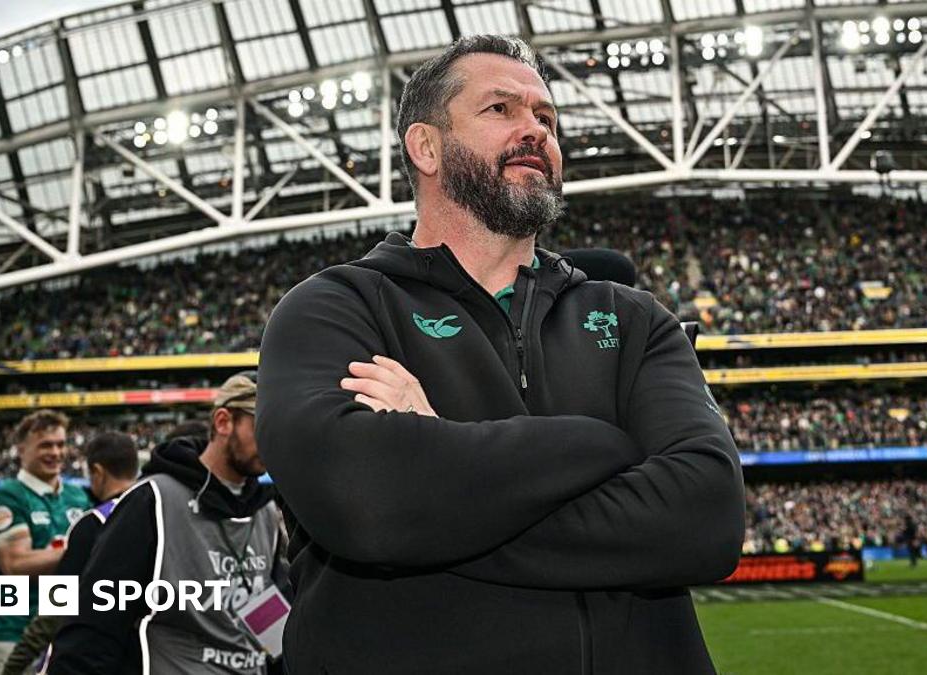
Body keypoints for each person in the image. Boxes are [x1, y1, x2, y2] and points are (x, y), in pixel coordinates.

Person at [256, 34, 745, 674]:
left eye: (546, 117)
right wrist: (602, 443)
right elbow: (366, 504)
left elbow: (705, 519)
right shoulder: (336, 309)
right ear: (425, 148)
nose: (534, 131)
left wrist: (439, 474)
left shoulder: (633, 319)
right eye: (501, 111)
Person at [47, 372, 290, 675]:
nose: (273, 441)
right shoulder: (153, 500)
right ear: (224, 422)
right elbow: (96, 626)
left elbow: (269, 625)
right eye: (262, 426)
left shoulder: (263, 511)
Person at [1, 432, 140, 675]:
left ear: (97, 472)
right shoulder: (160, 514)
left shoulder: (94, 524)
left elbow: (54, 612)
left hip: (95, 657)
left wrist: (12, 667)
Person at [0, 410, 92, 675]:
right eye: (45, 445)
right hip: (10, 632)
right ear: (21, 448)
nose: (56, 452)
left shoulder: (78, 497)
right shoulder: (7, 498)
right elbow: (15, 565)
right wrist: (81, 552)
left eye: (60, 444)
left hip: (60, 633)